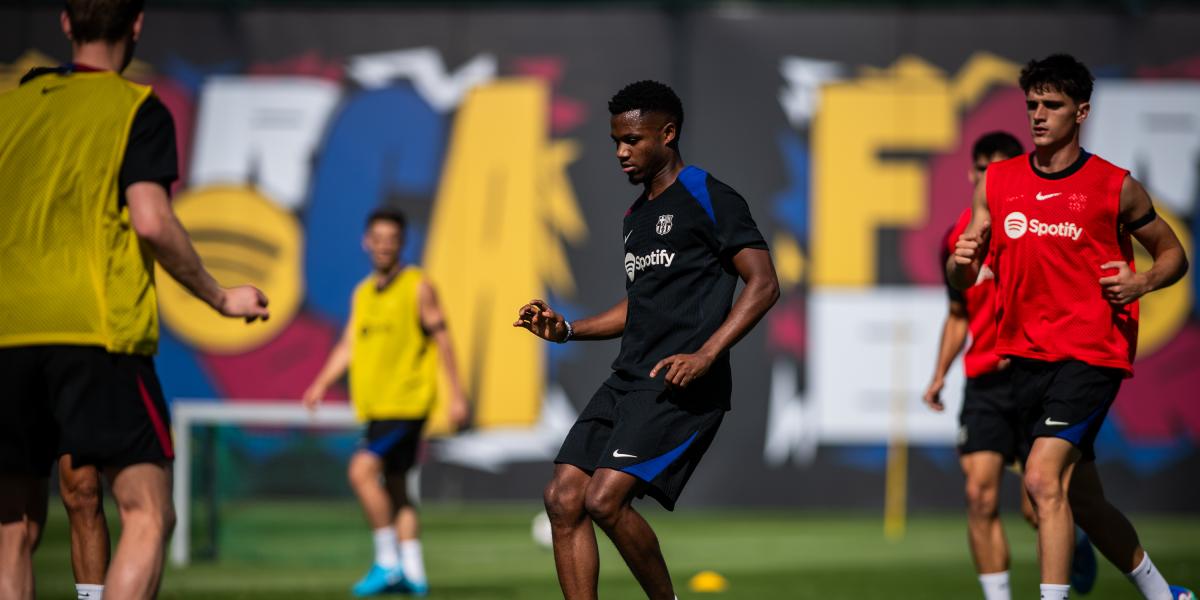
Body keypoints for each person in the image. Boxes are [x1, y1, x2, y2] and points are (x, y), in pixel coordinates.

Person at [0, 1, 270, 598]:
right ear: (138, 25)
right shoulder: (135, 108)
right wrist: (220, 297)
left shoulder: (8, 109)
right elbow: (150, 220)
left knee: (13, 525)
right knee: (148, 513)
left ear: (66, 23)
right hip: (94, 332)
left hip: (7, 331)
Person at [514, 80, 779, 600]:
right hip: (628, 378)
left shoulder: (710, 196)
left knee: (603, 500)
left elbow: (764, 283)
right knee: (563, 497)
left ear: (668, 133)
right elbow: (640, 305)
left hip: (679, 384)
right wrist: (568, 329)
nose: (620, 151)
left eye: (632, 140)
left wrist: (707, 353)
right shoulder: (636, 217)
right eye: (616, 140)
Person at [948, 54, 1194, 600]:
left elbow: (1173, 254)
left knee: (1039, 480)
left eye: (1052, 105)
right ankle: (1164, 595)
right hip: (1025, 360)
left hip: (1091, 354)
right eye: (1032, 104)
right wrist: (962, 261)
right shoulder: (998, 182)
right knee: (1083, 501)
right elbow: (961, 275)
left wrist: (1142, 282)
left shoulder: (1114, 185)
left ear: (1081, 112)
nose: (1038, 115)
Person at [925, 131, 1098, 600]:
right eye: (983, 170)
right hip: (983, 383)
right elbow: (958, 314)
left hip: (1034, 375)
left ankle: (1079, 540)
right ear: (972, 174)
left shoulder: (1038, 225)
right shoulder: (959, 236)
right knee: (979, 495)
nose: (990, 179)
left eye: (1000, 169)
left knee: (1035, 504)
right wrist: (940, 373)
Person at [303, 208, 470, 597]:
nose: (383, 245)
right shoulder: (362, 293)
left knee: (361, 472)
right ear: (366, 241)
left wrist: (457, 395)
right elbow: (348, 344)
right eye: (377, 238)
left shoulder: (418, 286)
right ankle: (415, 574)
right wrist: (320, 382)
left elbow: (443, 338)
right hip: (377, 406)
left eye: (391, 239)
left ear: (401, 242)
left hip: (407, 404)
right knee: (396, 486)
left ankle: (387, 561)